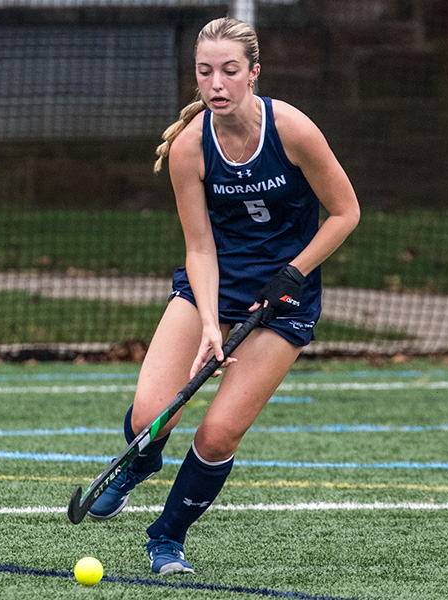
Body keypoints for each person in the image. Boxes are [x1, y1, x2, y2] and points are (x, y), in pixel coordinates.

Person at [87, 16, 360, 575]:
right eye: (204, 71)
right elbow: (201, 249)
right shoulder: (191, 148)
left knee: (216, 435)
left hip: (284, 297)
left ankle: (166, 537)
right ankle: (140, 462)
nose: (216, 84)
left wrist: (294, 272)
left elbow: (345, 213)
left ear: (254, 73)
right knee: (150, 417)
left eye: (229, 71)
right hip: (214, 287)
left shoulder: (293, 131)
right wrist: (209, 324)